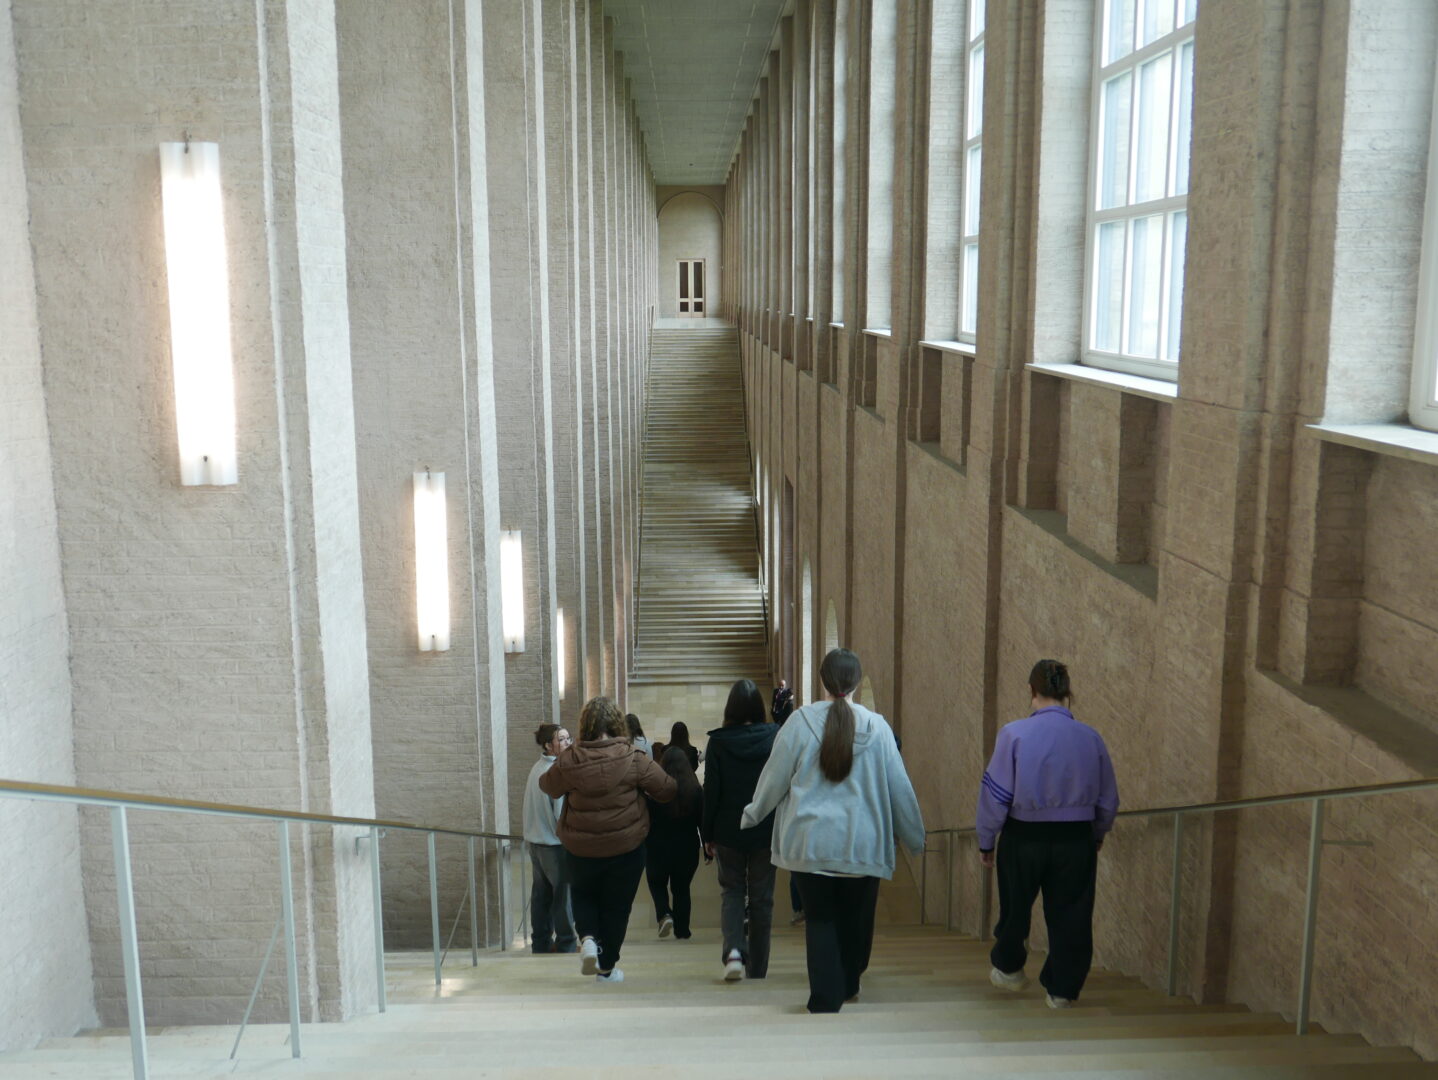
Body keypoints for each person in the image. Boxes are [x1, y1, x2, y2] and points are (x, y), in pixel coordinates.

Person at [742, 649, 925, 1013]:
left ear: (823, 681)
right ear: (856, 682)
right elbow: (899, 789)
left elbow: (774, 777)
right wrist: (915, 837)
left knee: (821, 919)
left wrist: (753, 813)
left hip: (812, 843)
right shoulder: (878, 728)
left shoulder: (800, 723)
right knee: (856, 921)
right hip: (863, 844)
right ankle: (849, 983)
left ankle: (825, 998)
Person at [977, 659, 1119, 1009]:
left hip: (1023, 836)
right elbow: (1108, 798)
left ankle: (1009, 969)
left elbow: (995, 795)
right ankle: (1061, 991)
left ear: (1031, 690)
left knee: (1015, 908)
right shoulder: (1091, 737)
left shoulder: (1014, 734)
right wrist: (1097, 833)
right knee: (1072, 914)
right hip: (1076, 839)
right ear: (1066, 692)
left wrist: (986, 840)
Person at [540, 696, 677, 983]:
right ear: (617, 725)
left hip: (581, 846)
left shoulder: (570, 760)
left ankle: (588, 937)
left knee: (583, 893)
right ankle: (607, 967)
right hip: (626, 847)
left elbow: (548, 786)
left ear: (585, 726)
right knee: (617, 906)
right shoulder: (634, 758)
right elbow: (667, 789)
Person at [703, 678, 778, 981]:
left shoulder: (719, 742)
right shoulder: (775, 737)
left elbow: (712, 791)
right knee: (762, 899)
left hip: (728, 831)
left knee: (732, 892)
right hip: (765, 829)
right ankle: (758, 969)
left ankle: (734, 952)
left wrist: (707, 834)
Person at [522, 722, 577, 953]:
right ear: (548, 745)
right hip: (553, 845)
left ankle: (541, 943)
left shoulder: (537, 767)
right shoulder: (555, 771)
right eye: (561, 739)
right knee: (562, 897)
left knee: (541, 896)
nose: (567, 743)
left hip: (535, 842)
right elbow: (560, 813)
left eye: (568, 738)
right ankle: (566, 943)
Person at [645, 746, 705, 940]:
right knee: (681, 888)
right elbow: (702, 821)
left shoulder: (655, 790)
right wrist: (709, 848)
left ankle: (664, 914)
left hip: (657, 845)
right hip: (687, 845)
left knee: (656, 882)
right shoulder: (695, 790)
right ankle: (682, 930)